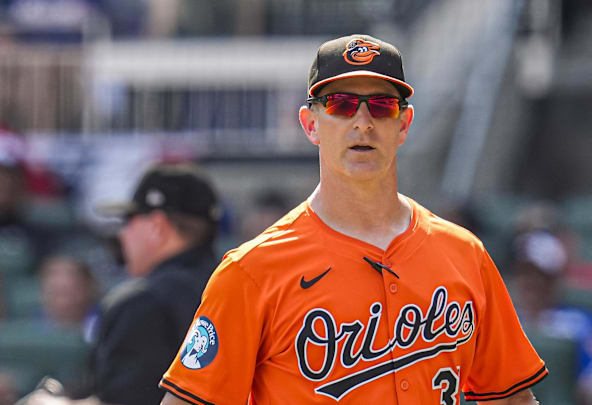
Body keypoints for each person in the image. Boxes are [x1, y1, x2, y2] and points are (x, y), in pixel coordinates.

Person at [159, 34, 546, 405]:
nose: (363, 122)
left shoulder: (464, 254)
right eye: (341, 104)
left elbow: (512, 396)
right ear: (311, 124)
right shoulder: (252, 271)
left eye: (382, 106)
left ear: (404, 124)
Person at [19, 163, 222, 405]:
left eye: (129, 221)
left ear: (157, 226)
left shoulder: (142, 302)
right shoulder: (240, 288)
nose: (122, 234)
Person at [508, 230, 592, 405]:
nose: (530, 281)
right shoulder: (499, 322)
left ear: (553, 279)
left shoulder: (582, 325)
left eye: (538, 274)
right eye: (523, 273)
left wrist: (586, 387)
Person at [38, 254, 99, 340]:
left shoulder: (105, 326)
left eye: (69, 292)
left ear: (88, 289)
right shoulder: (29, 326)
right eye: (56, 293)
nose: (63, 302)